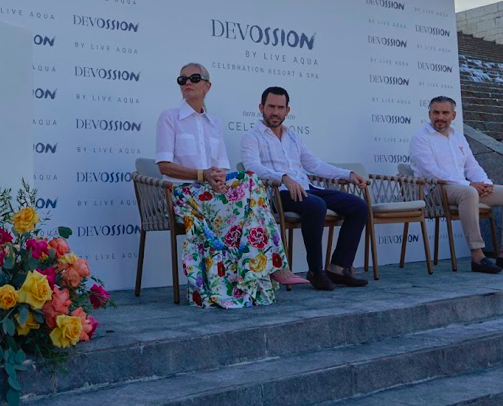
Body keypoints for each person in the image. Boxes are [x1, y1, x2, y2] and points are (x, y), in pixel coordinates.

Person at [156, 63, 307, 308]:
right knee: (250, 188)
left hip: (211, 193)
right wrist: (202, 175)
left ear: (207, 86)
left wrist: (217, 180)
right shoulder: (169, 117)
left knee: (250, 181)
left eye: (194, 78)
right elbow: (164, 167)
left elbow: (223, 170)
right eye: (182, 79)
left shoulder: (214, 122)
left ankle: (263, 268)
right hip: (184, 196)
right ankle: (275, 266)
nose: (187, 83)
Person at [241, 87, 371, 291]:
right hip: (278, 194)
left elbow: (315, 165)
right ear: (261, 107)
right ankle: (315, 271)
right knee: (316, 205)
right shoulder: (252, 136)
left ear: (287, 110)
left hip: (306, 189)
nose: (275, 112)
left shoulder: (293, 136)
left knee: (359, 206)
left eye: (280, 108)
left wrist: (348, 175)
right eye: (271, 107)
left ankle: (338, 268)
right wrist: (283, 178)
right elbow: (251, 166)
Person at [409, 96, 503, 274]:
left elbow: (472, 166)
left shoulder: (458, 137)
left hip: (463, 187)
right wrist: (469, 184)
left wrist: (485, 183)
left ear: (453, 115)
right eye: (436, 113)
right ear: (429, 114)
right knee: (469, 193)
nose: (440, 117)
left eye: (445, 113)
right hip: (434, 190)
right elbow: (431, 171)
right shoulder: (421, 137)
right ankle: (477, 256)